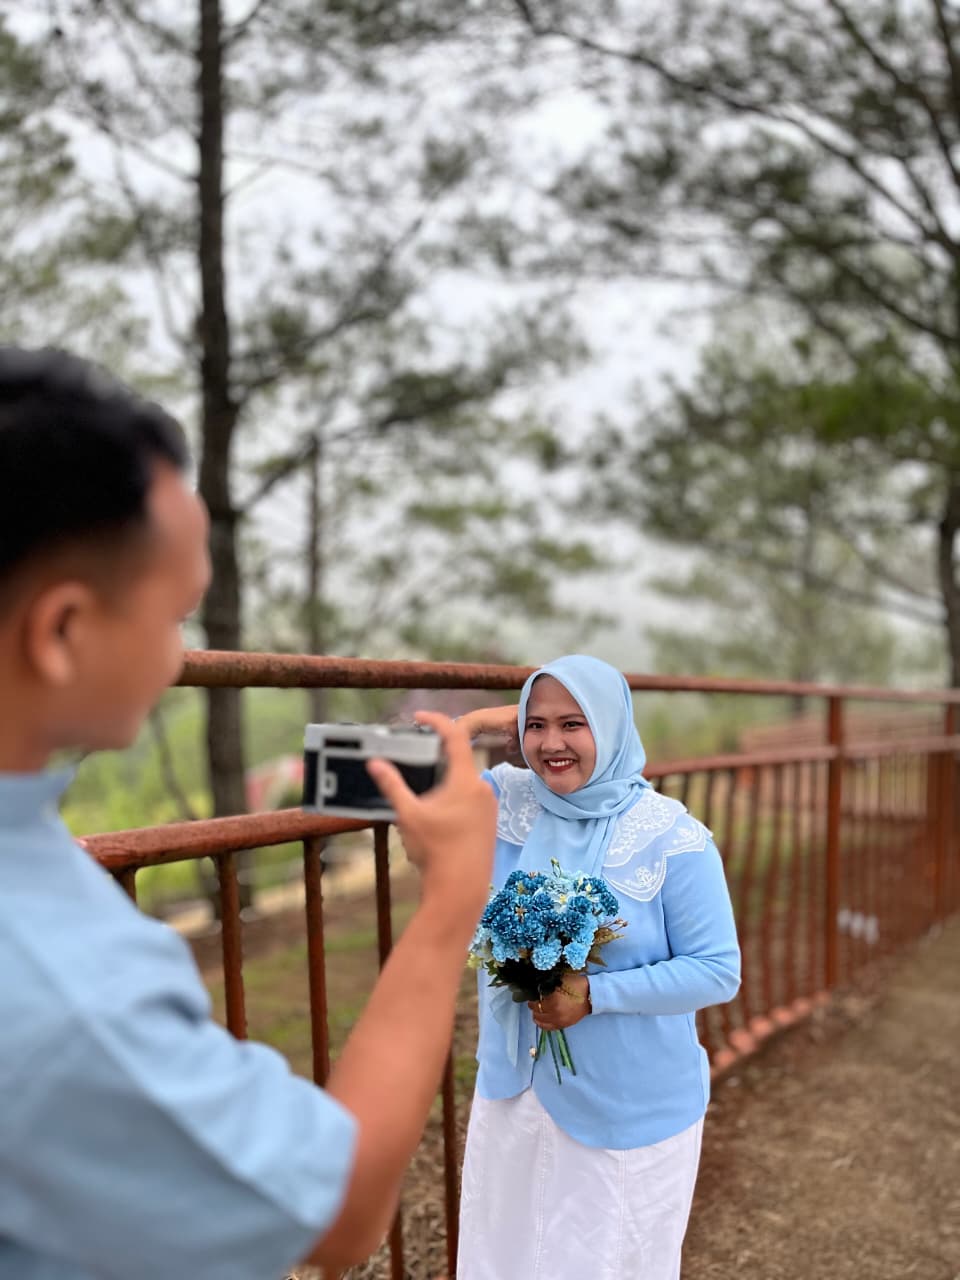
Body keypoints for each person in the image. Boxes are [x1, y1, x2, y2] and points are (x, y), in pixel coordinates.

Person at [0, 347, 497, 1280]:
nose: (178, 654)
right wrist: (448, 906)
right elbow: (339, 1211)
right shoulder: (61, 986)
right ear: (62, 630)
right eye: (174, 615)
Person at [454, 655, 741, 1280]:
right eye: (535, 725)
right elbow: (382, 782)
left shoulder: (672, 838)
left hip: (626, 1109)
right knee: (505, 1260)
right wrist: (472, 725)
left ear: (610, 726)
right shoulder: (507, 803)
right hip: (512, 1095)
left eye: (573, 724)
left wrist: (592, 995)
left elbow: (717, 970)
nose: (550, 744)